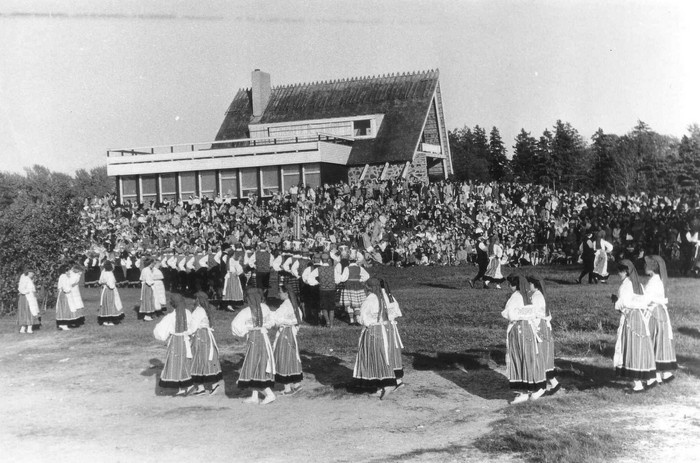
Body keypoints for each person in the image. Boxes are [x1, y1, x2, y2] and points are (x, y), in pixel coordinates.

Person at [612, 259, 656, 392]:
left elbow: (623, 303)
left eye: (621, 271)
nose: (619, 273)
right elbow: (646, 301)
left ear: (626, 271)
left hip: (630, 319)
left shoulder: (625, 285)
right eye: (619, 271)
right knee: (641, 348)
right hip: (640, 319)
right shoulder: (639, 285)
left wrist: (615, 302)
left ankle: (637, 385)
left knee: (631, 349)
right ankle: (649, 379)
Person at [501, 274, 547, 403]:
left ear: (513, 285)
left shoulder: (516, 296)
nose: (509, 287)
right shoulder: (527, 295)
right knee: (529, 357)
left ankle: (523, 391)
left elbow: (509, 313)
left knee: (518, 357)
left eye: (509, 284)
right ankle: (532, 387)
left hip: (518, 329)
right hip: (528, 328)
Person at [352, 278, 397, 399]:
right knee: (382, 355)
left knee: (373, 356)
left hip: (372, 331)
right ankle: (381, 385)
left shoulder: (369, 299)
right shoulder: (384, 297)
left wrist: (356, 313)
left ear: (368, 288)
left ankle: (388, 383)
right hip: (384, 330)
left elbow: (363, 320)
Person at [231, 288, 276, 405]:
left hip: (254, 340)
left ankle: (270, 394)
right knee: (259, 364)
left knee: (253, 365)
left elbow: (235, 326)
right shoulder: (265, 308)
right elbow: (271, 322)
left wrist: (245, 330)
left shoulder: (246, 311)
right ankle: (254, 396)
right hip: (264, 338)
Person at [644, 255, 676, 384]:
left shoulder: (653, 282)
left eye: (646, 265)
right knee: (658, 342)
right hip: (659, 313)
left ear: (651, 268)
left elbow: (647, 300)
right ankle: (659, 374)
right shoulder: (657, 280)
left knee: (652, 342)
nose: (644, 267)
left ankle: (654, 374)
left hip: (654, 313)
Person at [153, 293, 194, 396]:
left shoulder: (171, 316)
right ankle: (182, 386)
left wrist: (162, 336)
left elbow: (159, 331)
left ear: (173, 304)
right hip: (186, 341)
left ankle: (187, 385)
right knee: (183, 362)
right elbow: (192, 327)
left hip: (176, 341)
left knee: (175, 363)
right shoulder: (188, 313)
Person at [527, 276, 560, 395]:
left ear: (534, 284)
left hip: (540, 326)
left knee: (540, 355)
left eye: (529, 283)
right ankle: (554, 383)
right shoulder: (539, 295)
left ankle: (540, 387)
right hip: (544, 326)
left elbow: (535, 313)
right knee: (544, 355)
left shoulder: (537, 296)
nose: (528, 286)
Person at [188, 292, 222, 395]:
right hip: (205, 336)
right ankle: (202, 387)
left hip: (200, 337)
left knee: (199, 359)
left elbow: (192, 327)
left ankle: (210, 385)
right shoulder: (205, 310)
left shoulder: (198, 311)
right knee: (204, 359)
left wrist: (185, 334)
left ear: (197, 300)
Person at [272, 286, 304, 395]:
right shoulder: (294, 305)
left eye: (280, 292)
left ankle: (287, 388)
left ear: (286, 294)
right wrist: (294, 329)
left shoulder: (284, 306)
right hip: (292, 333)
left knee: (283, 357)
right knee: (292, 357)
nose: (278, 294)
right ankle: (296, 384)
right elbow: (299, 319)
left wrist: (278, 323)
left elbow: (276, 320)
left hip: (284, 333)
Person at [381, 279, 404, 389]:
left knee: (386, 352)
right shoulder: (391, 297)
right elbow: (397, 312)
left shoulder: (379, 298)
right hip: (392, 327)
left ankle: (388, 380)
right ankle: (398, 380)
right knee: (394, 352)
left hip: (383, 328)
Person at [339, 251, 370, 325]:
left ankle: (351, 320)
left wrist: (339, 277)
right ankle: (358, 319)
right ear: (356, 260)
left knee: (350, 303)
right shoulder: (360, 268)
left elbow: (343, 278)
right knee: (357, 303)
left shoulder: (347, 268)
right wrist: (360, 280)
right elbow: (367, 276)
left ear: (349, 261)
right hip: (358, 286)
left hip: (349, 286)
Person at [98, 261, 124, 326]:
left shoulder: (103, 272)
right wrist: (113, 285)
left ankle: (105, 320)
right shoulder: (109, 274)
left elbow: (100, 281)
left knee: (105, 304)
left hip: (104, 289)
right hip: (109, 290)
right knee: (111, 304)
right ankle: (110, 320)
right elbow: (111, 285)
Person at [17, 269, 40, 334]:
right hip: (26, 297)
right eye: (32, 273)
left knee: (27, 311)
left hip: (29, 297)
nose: (33, 274)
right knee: (28, 311)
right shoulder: (25, 279)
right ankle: (26, 328)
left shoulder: (28, 279)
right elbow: (21, 288)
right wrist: (27, 292)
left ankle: (24, 328)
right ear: (28, 272)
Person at [139, 257, 157, 321]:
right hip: (147, 286)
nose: (153, 265)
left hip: (145, 286)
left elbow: (141, 278)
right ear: (150, 263)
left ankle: (148, 314)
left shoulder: (145, 269)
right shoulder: (147, 270)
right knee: (148, 300)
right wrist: (154, 282)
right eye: (153, 263)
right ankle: (147, 315)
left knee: (148, 299)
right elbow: (148, 281)